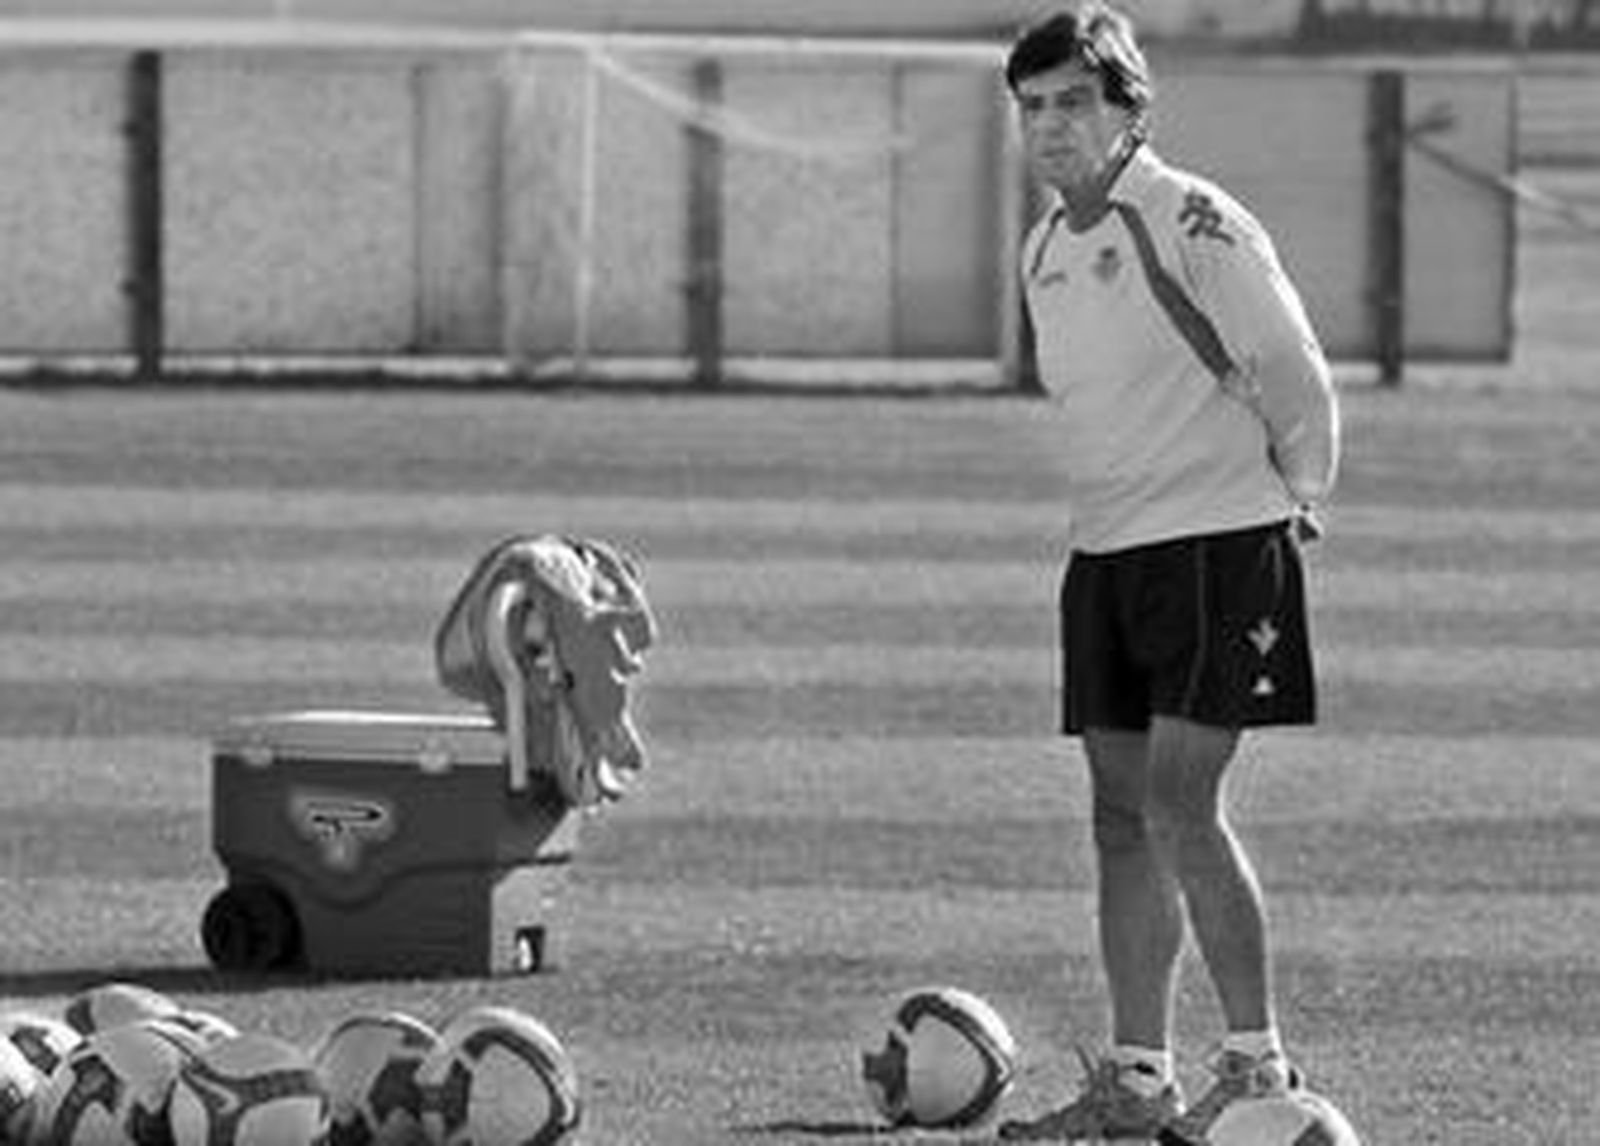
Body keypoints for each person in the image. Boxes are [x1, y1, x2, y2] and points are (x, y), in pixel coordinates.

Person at [995, 5, 1340, 1143]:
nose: (1050, 127)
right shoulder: (1043, 245)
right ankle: (1137, 1084)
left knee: (1181, 807)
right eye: (1032, 106)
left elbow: (1290, 367)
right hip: (1104, 555)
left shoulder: (1188, 216)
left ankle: (1254, 1071)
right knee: (1114, 817)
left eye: (1073, 103)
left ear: (1129, 107)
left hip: (1215, 546)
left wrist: (1296, 492)